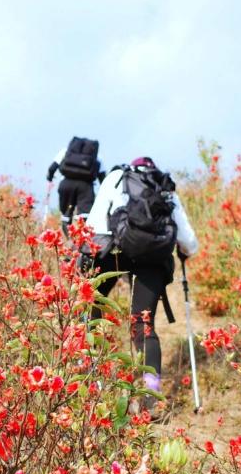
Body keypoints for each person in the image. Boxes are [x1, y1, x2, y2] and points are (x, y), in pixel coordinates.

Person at [86, 156, 198, 402]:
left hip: (113, 252)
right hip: (153, 259)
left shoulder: (115, 178)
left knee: (90, 305)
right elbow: (189, 243)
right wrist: (182, 251)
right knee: (143, 324)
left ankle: (90, 381)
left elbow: (94, 223)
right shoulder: (165, 187)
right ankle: (149, 400)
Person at [47, 137, 105, 232]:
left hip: (66, 184)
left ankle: (70, 241)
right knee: (85, 216)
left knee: (66, 215)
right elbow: (103, 179)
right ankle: (83, 241)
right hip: (86, 187)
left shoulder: (65, 152)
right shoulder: (96, 157)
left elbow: (51, 169)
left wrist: (49, 178)